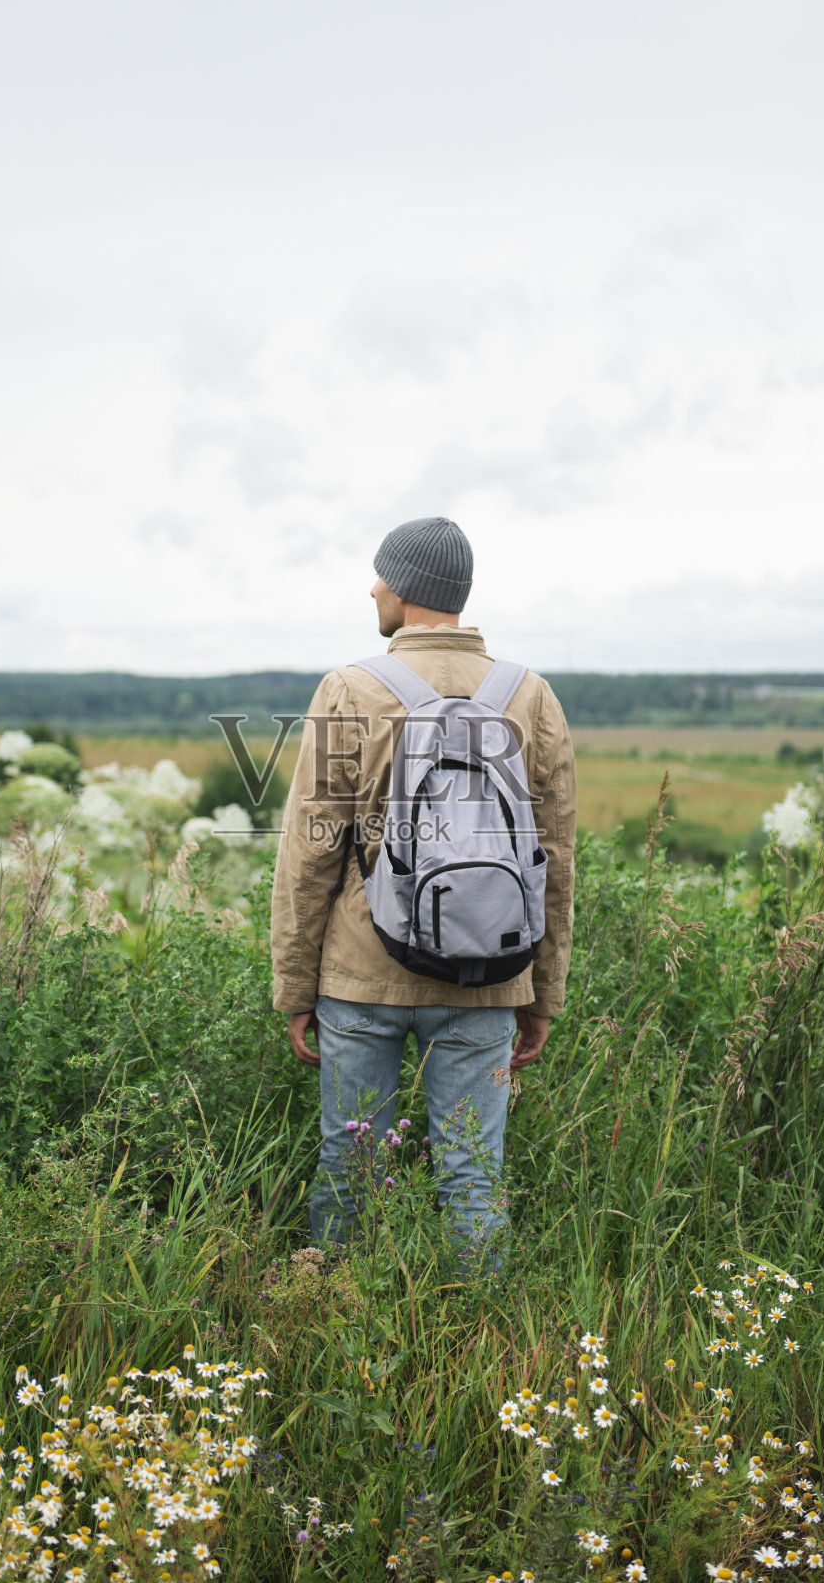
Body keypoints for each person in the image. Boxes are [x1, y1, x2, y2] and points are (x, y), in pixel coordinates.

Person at [270, 515, 577, 1259]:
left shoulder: (348, 689)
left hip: (362, 972)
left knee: (351, 1162)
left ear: (405, 588)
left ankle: (332, 1303)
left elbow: (311, 853)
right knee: (473, 1171)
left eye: (380, 574)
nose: (372, 588)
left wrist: (295, 988)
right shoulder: (530, 696)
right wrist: (542, 992)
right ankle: (479, 1321)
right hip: (489, 974)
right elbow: (555, 857)